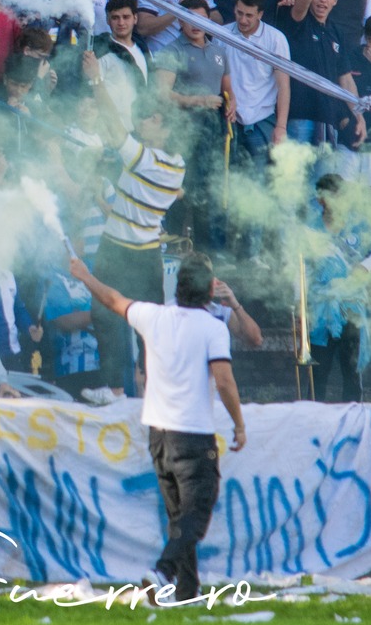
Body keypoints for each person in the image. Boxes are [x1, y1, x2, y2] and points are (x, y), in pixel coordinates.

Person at [67, 251, 245, 600]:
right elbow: (224, 381)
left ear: (177, 287)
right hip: (193, 436)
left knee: (180, 517)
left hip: (159, 436)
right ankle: (162, 571)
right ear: (211, 290)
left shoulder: (154, 316)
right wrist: (239, 425)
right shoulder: (213, 328)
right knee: (197, 515)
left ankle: (188, 591)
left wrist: (86, 276)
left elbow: (112, 299)